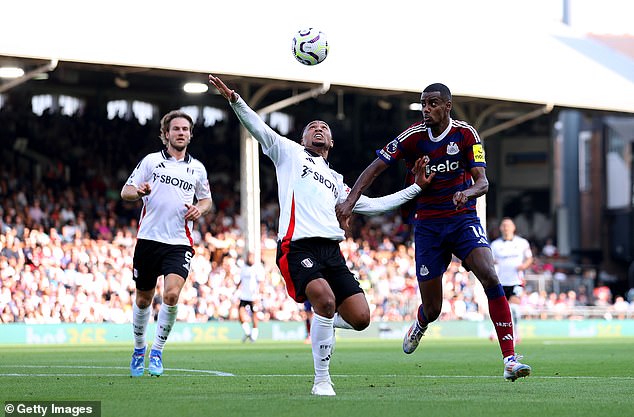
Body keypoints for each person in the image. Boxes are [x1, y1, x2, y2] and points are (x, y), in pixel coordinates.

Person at [209, 74, 433, 395]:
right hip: (297, 248)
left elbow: (371, 205)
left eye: (324, 128)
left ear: (331, 143)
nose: (319, 129)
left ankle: (322, 323)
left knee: (361, 318)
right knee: (326, 301)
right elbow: (258, 127)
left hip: (332, 253)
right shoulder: (289, 153)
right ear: (302, 139)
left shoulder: (337, 181)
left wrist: (415, 187)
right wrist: (235, 100)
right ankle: (322, 380)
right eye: (312, 127)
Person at [336, 82, 531, 381]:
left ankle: (509, 360)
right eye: (423, 103)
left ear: (447, 105)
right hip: (427, 226)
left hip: (462, 219)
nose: (427, 108)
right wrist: (350, 201)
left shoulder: (466, 135)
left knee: (490, 276)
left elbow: (483, 182)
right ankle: (420, 323)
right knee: (433, 307)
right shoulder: (413, 137)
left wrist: (467, 194)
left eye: (433, 103)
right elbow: (375, 167)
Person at [121, 110, 212, 377]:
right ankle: (139, 349)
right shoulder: (151, 162)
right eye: (176, 129)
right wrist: (138, 191)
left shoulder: (197, 168)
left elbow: (206, 199)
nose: (181, 132)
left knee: (171, 295)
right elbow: (126, 190)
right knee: (143, 299)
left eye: (185, 129)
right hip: (149, 240)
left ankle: (157, 350)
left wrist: (200, 209)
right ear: (166, 134)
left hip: (179, 242)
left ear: (190, 135)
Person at [490, 217, 533, 344]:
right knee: (501, 309)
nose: (506, 227)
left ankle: (516, 333)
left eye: (508, 225)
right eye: (503, 225)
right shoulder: (495, 245)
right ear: (500, 228)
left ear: (514, 227)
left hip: (516, 280)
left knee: (514, 307)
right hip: (501, 281)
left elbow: (529, 258)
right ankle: (496, 331)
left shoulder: (522, 243)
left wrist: (524, 266)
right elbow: (490, 261)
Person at [237, 251, 264, 342]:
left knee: (254, 315)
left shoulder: (257, 268)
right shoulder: (243, 268)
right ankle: (247, 332)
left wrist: (259, 295)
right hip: (244, 295)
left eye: (252, 257)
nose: (250, 259)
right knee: (240, 314)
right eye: (249, 257)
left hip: (253, 296)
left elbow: (261, 282)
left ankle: (254, 335)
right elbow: (240, 281)